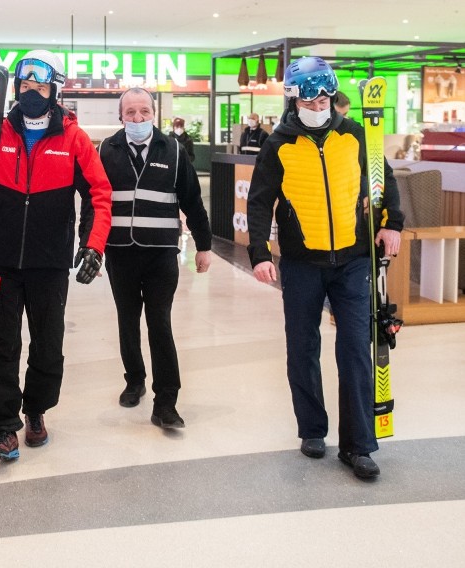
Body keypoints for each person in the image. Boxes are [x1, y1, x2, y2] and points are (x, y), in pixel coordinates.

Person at [246, 56, 404, 480]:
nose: (319, 103)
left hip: (353, 260)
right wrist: (260, 253)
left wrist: (392, 225)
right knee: (302, 348)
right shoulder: (278, 143)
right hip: (300, 264)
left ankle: (358, 446)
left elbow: (384, 183)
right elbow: (260, 201)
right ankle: (312, 429)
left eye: (325, 94)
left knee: (355, 349)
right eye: (310, 95)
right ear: (294, 97)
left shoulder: (356, 136)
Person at [0, 50, 112, 461]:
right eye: (25, 86)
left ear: (54, 89)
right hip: (0, 259)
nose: (32, 93)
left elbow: (99, 193)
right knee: (1, 345)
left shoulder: (73, 139)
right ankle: (4, 426)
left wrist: (93, 243)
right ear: (15, 89)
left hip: (50, 264)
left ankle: (36, 410)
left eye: (40, 86)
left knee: (47, 344)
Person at [99, 89, 212, 429]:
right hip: (120, 251)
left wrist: (204, 246)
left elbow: (193, 201)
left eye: (143, 111)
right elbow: (95, 200)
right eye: (130, 112)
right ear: (121, 116)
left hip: (162, 253)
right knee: (127, 318)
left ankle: (166, 401)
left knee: (159, 322)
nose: (137, 118)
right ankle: (134, 379)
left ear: (154, 113)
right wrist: (89, 244)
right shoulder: (107, 150)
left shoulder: (174, 150)